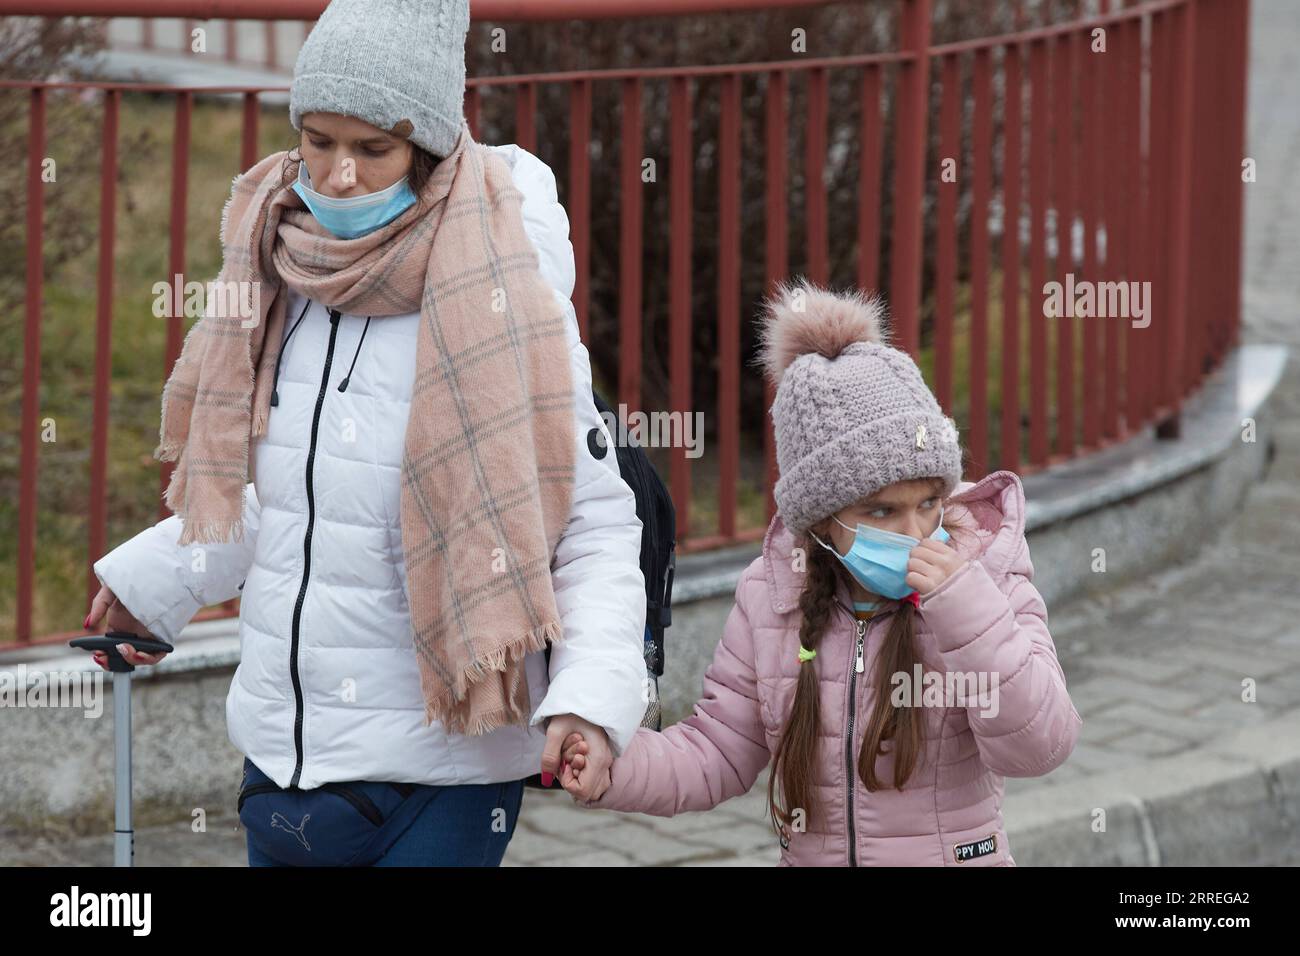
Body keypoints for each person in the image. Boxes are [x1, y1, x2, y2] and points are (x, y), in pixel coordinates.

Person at [84, 0, 647, 867]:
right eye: (318, 140)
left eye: (373, 149)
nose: (339, 174)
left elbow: (591, 529)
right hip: (284, 753)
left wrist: (590, 699)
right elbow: (299, 500)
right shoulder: (284, 276)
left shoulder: (506, 298)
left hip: (445, 774)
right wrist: (158, 583)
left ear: (425, 153)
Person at [557, 277, 1083, 866]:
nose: (914, 533)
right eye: (881, 511)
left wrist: (968, 612)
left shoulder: (988, 573)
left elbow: (1041, 746)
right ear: (822, 520)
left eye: (929, 503)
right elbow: (719, 752)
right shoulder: (773, 593)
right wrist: (614, 770)